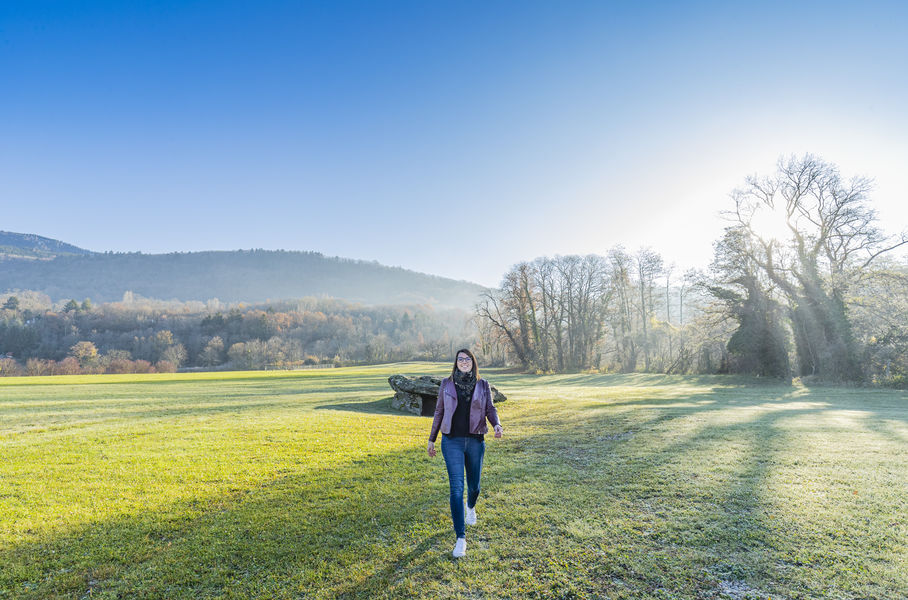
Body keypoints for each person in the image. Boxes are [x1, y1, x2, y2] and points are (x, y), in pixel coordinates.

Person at [427, 348, 503, 558]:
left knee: (474, 486)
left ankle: (471, 507)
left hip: (476, 440)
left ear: (473, 362)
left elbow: (490, 408)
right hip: (451, 440)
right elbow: (439, 411)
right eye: (460, 359)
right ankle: (461, 538)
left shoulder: (482, 384)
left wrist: (496, 424)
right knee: (456, 488)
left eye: (467, 359)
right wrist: (432, 439)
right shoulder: (446, 384)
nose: (463, 362)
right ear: (456, 362)